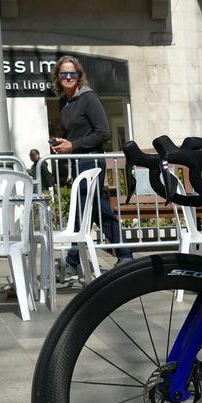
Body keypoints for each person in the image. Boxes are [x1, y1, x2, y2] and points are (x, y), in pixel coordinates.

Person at [50, 56, 130, 270]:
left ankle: (73, 261)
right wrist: (62, 143)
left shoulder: (89, 98)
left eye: (72, 73)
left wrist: (73, 145)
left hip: (92, 161)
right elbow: (74, 134)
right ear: (58, 77)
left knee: (85, 208)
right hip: (78, 162)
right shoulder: (63, 102)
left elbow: (103, 133)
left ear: (79, 76)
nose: (68, 77)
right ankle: (124, 254)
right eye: (64, 74)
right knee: (92, 209)